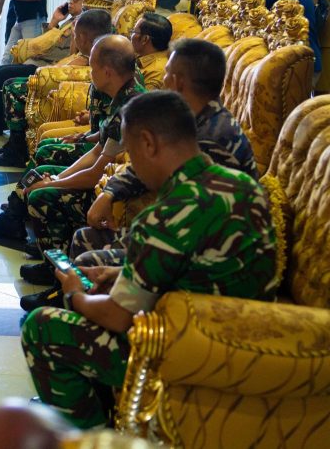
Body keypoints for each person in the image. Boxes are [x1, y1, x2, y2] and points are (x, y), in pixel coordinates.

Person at [21, 90, 278, 429]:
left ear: (148, 143)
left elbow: (116, 317)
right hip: (252, 340)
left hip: (184, 352)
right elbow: (196, 267)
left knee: (40, 326)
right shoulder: (244, 185)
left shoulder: (164, 218)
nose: (133, 167)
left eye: (130, 152)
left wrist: (74, 293)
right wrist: (117, 272)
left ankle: (90, 432)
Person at [74, 38, 258, 268]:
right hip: (182, 232)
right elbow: (146, 163)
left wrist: (137, 234)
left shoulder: (214, 136)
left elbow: (189, 212)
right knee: (86, 236)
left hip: (204, 252)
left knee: (88, 254)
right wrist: (110, 193)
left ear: (178, 82)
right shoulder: (191, 119)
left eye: (167, 72)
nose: (162, 79)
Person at [14, 36, 145, 311]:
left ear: (107, 71)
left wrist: (54, 185)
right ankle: (49, 260)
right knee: (44, 172)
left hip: (113, 194)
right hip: (104, 180)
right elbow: (97, 150)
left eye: (93, 67)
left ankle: (58, 282)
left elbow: (96, 174)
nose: (90, 73)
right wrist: (57, 178)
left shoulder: (131, 107)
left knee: (43, 196)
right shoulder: (121, 95)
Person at [0, 0, 103, 136]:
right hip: (42, 62)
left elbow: (70, 54)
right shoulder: (69, 22)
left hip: (49, 67)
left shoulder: (84, 26)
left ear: (87, 3)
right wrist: (55, 21)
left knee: (3, 74)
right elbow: (47, 42)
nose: (71, 2)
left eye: (77, 0)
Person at [0, 8, 113, 168]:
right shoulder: (75, 30)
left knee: (13, 86)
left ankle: (18, 153)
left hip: (57, 79)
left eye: (76, 35)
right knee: (4, 77)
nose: (74, 37)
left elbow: (109, 130)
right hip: (54, 74)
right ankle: (14, 145)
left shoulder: (101, 65)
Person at [129, 12, 172, 91]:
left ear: (144, 39)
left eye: (133, 31)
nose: (130, 35)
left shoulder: (156, 72)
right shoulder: (143, 54)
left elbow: (141, 101)